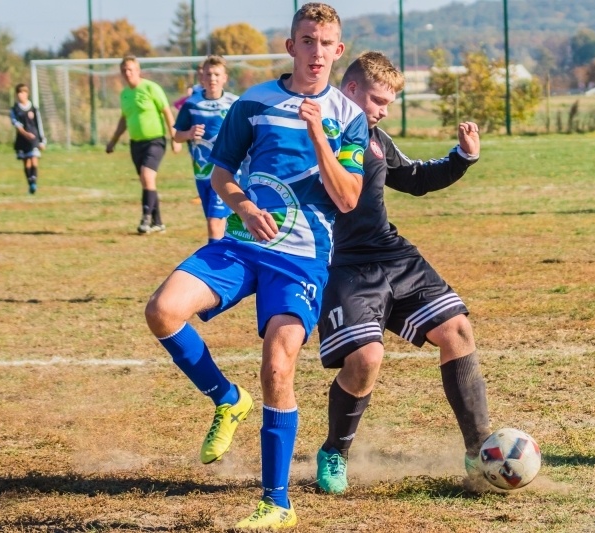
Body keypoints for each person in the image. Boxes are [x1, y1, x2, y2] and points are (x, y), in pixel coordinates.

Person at [144, 3, 367, 530]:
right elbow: (222, 174)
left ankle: (277, 503)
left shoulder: (348, 117)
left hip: (301, 261)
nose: (316, 52)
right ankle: (227, 399)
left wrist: (318, 135)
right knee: (162, 310)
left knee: (278, 367)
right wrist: (242, 205)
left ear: (339, 51)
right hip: (243, 245)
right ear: (291, 48)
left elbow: (349, 197)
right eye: (306, 40)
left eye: (326, 42)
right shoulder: (255, 102)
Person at [313, 51, 491, 495]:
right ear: (350, 90)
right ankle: (335, 451)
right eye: (377, 100)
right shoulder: (314, 132)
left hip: (393, 255)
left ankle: (480, 451)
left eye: (388, 104)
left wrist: (462, 158)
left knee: (457, 330)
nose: (382, 111)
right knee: (365, 360)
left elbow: (413, 177)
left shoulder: (375, 138)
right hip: (343, 264)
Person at [105, 55, 181, 234]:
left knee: (147, 177)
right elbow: (124, 119)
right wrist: (113, 141)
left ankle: (146, 219)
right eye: (124, 70)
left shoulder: (151, 88)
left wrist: (175, 138)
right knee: (147, 182)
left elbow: (166, 112)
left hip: (154, 140)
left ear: (138, 71)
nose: (127, 73)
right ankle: (158, 222)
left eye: (131, 69)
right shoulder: (125, 94)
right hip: (135, 144)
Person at [173, 55, 238, 242]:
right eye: (209, 74)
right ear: (202, 78)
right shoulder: (192, 105)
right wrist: (189, 133)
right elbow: (177, 135)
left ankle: (213, 266)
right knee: (221, 223)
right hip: (202, 173)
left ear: (225, 77)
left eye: (217, 74)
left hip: (227, 172)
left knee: (214, 223)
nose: (213, 79)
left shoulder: (235, 103)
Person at [10, 84, 47, 194]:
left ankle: (34, 182)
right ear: (17, 95)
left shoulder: (34, 109)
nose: (21, 95)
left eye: (23, 92)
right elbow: (17, 126)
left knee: (34, 158)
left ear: (27, 93)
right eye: (19, 93)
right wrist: (26, 134)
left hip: (34, 138)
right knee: (26, 162)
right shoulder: (15, 110)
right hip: (22, 139)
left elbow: (39, 124)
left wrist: (42, 140)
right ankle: (30, 183)